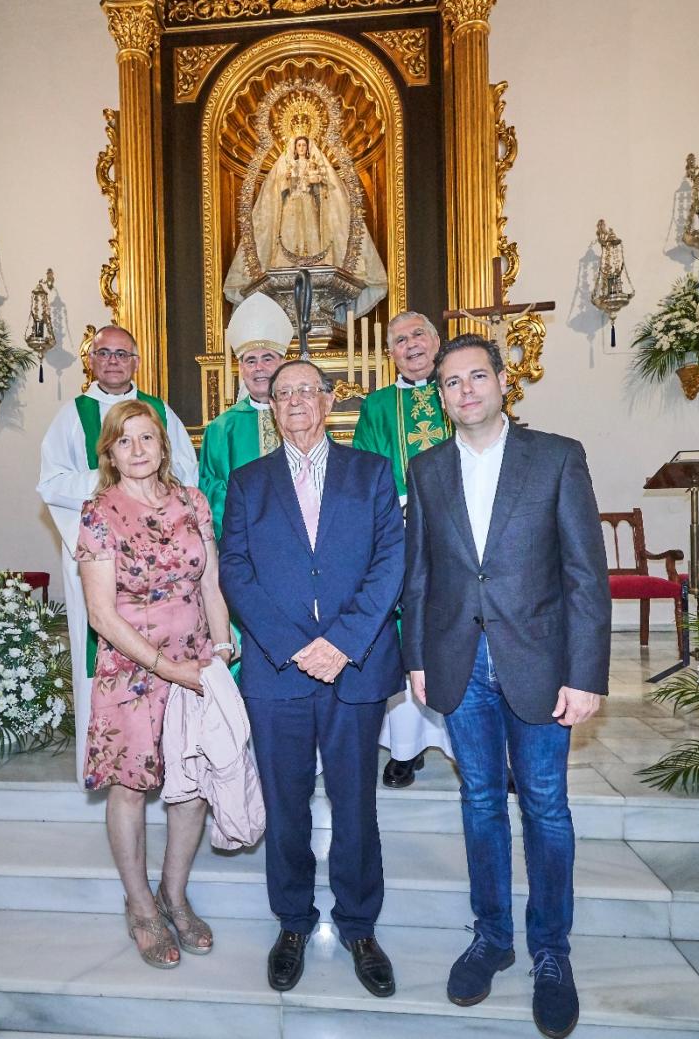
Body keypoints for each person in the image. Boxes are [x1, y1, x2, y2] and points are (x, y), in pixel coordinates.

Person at [402, 333, 610, 1039]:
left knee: (546, 805)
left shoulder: (555, 456)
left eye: (476, 377)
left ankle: (552, 951)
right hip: (460, 662)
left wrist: (586, 673)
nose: (465, 391)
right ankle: (491, 936)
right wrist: (417, 657)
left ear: (502, 381)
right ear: (441, 396)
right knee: (481, 800)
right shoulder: (427, 467)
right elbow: (420, 573)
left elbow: (587, 573)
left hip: (541, 664)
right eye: (451, 382)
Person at [220, 360, 404, 999]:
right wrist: (300, 647)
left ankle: (359, 926)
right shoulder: (248, 483)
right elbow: (235, 571)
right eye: (283, 393)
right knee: (286, 805)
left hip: (356, 667)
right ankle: (293, 922)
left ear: (329, 401)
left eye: (307, 390)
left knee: (357, 805)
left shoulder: (372, 473)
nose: (296, 400)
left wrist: (342, 644)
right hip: (277, 672)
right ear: (270, 408)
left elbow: (390, 563)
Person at [76, 400, 235, 969]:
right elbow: (101, 614)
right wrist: (165, 668)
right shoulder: (99, 514)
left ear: (164, 446)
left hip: (194, 661)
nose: (139, 450)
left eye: (148, 439)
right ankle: (140, 905)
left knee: (189, 781)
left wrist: (220, 647)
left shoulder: (192, 503)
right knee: (129, 786)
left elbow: (210, 583)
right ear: (110, 453)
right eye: (126, 441)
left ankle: (174, 892)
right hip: (133, 668)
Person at [38, 326, 199, 782]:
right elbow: (49, 483)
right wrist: (114, 480)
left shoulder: (159, 411)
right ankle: (113, 767)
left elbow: (187, 478)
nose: (112, 361)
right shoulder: (71, 415)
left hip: (162, 569)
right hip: (99, 560)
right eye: (104, 353)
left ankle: (174, 764)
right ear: (91, 360)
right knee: (103, 650)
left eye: (122, 354)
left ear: (136, 360)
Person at [353, 310, 454, 787]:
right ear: (390, 353)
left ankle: (470, 747)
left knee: (458, 631)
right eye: (399, 340)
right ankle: (405, 748)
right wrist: (406, 504)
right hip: (402, 533)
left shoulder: (459, 388)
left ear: (436, 341)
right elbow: (367, 468)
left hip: (461, 538)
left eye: (418, 335)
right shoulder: (376, 406)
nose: (410, 345)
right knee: (406, 633)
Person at [223, 132, 387, 316]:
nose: (301, 148)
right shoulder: (287, 166)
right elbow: (279, 191)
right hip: (292, 205)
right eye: (298, 145)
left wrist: (315, 181)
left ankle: (313, 259)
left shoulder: (313, 164)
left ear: (308, 148)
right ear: (294, 148)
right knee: (290, 230)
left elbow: (323, 193)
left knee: (310, 230)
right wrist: (288, 180)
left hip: (308, 204)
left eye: (304, 145)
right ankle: (287, 261)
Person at [198, 293, 292, 538]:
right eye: (250, 360)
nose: (258, 368)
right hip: (243, 542)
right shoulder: (221, 429)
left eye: (267, 358)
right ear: (241, 369)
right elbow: (212, 492)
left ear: (283, 363)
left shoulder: (301, 415)